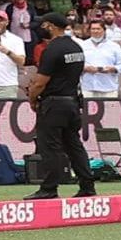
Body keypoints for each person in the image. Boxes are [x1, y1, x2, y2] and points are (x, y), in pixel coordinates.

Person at [26, 15, 99, 200]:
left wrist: (32, 99)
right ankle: (87, 185)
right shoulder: (76, 47)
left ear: (50, 26)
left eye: (44, 25)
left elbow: (40, 82)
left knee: (49, 146)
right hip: (72, 101)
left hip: (54, 102)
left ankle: (49, 187)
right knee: (74, 145)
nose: (41, 27)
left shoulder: (52, 50)